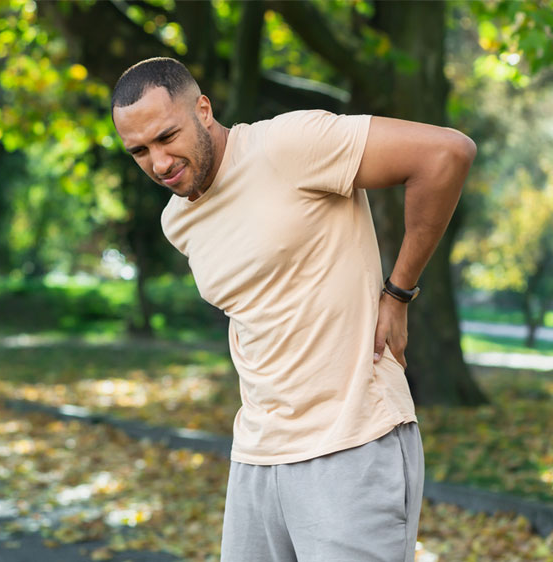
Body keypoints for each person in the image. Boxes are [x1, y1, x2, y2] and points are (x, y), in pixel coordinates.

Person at [111, 57, 476, 562]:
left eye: (167, 136)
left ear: (203, 108)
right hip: (257, 455)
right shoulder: (179, 221)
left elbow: (446, 154)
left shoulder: (290, 144)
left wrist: (398, 293)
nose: (159, 162)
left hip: (351, 443)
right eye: (139, 151)